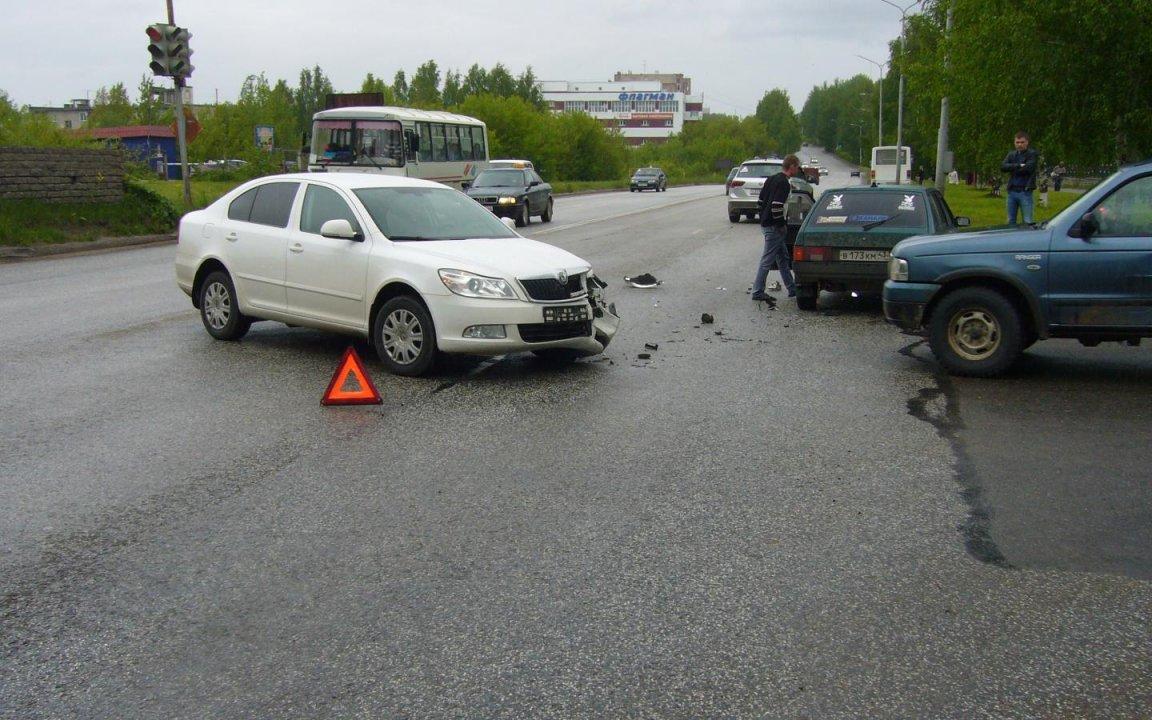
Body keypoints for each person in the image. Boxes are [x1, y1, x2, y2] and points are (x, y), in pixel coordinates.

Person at [751, 154, 801, 301]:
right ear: (791, 166)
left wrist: (763, 218)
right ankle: (757, 291)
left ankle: (792, 289)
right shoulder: (784, 183)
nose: (798, 169)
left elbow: (760, 202)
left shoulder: (771, 179)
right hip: (775, 227)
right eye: (797, 167)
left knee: (783, 258)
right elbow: (777, 206)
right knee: (767, 260)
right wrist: (781, 225)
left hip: (767, 224)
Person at [1001, 131, 1040, 224]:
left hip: (1025, 191)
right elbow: (1003, 167)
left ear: (1027, 142)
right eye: (1017, 142)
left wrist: (1012, 168)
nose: (1019, 144)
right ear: (1014, 143)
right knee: (1010, 220)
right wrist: (1018, 165)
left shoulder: (1032, 154)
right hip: (1012, 192)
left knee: (1027, 221)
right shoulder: (1012, 154)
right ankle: (1011, 238)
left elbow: (1028, 169)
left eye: (1022, 142)